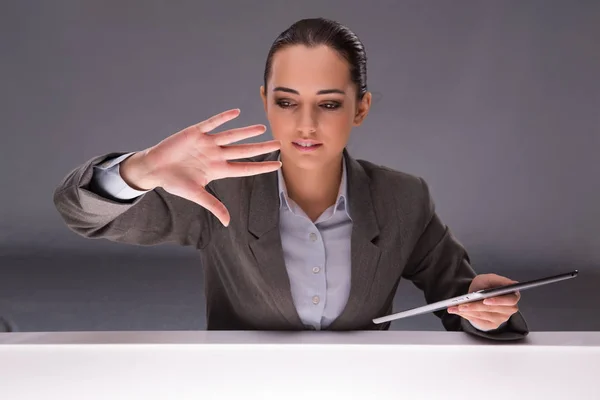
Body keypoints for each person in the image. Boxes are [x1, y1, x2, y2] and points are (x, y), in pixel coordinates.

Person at [53, 17, 528, 339]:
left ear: (360, 107)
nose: (305, 124)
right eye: (286, 101)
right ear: (265, 101)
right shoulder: (221, 189)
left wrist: (484, 309)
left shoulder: (403, 198)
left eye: (328, 103)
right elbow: (81, 214)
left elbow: (462, 300)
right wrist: (139, 170)